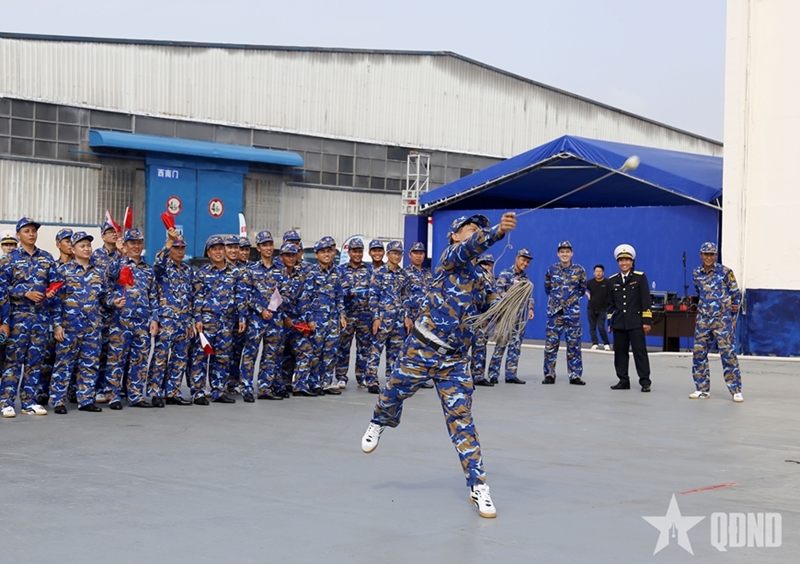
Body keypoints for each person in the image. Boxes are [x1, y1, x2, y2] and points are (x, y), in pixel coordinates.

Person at [361, 212, 517, 519]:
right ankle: (379, 421)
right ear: (455, 235)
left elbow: (492, 306)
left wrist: (507, 303)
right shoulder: (449, 258)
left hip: (454, 361)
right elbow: (471, 247)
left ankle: (479, 486)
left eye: (480, 229)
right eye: (470, 228)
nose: (476, 232)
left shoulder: (482, 277)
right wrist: (497, 231)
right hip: (422, 346)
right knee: (392, 392)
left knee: (463, 422)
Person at [0, 217, 60, 418]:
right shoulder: (9, 259)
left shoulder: (46, 258)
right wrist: (24, 293)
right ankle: (6, 402)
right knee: (13, 361)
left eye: (34, 230)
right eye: (27, 231)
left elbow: (55, 284)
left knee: (35, 361)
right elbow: (2, 290)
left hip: (40, 319)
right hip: (17, 318)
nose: (31, 234)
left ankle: (29, 401)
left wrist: (52, 292)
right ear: (18, 235)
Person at [50, 231, 114, 414]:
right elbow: (56, 302)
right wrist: (57, 325)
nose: (86, 249)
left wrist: (113, 301)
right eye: (82, 246)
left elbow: (104, 297)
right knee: (64, 364)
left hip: (92, 327)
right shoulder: (63, 271)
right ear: (73, 249)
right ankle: (58, 400)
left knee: (89, 364)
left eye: (88, 245)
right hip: (69, 327)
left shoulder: (99, 272)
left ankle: (85, 400)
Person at [104, 228, 158, 409]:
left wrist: (154, 318)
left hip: (142, 322)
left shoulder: (148, 269)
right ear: (125, 245)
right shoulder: (118, 263)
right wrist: (120, 255)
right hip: (120, 321)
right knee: (116, 359)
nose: (136, 246)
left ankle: (135, 395)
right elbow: (108, 279)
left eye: (138, 243)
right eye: (132, 243)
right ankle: (113, 395)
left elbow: (153, 296)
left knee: (139, 360)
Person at [190, 235, 246, 405]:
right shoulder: (202, 273)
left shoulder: (235, 272)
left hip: (227, 322)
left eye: (220, 248)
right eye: (214, 249)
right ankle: (198, 392)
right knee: (201, 357)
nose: (218, 252)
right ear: (209, 253)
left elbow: (240, 296)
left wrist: (242, 317)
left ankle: (218, 390)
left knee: (223, 357)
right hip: (207, 321)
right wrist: (198, 318)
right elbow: (197, 297)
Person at [689, 242, 743, 402]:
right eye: (706, 254)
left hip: (722, 320)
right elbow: (699, 292)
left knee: (728, 354)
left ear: (716, 256)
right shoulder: (696, 273)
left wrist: (733, 318)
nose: (708, 257)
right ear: (701, 255)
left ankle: (736, 390)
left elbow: (735, 295)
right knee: (699, 354)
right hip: (703, 320)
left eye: (711, 254)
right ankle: (702, 389)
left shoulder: (726, 272)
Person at [292, 238, 346, 396]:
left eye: (329, 251)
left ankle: (326, 382)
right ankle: (314, 382)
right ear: (316, 255)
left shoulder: (336, 273)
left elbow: (339, 296)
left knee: (330, 351)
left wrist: (342, 315)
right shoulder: (311, 273)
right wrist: (309, 319)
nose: (326, 254)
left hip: (333, 319)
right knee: (316, 352)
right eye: (323, 252)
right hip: (317, 319)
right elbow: (304, 298)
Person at [147, 229, 194, 407]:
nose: (180, 251)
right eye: (176, 248)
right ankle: (155, 392)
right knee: (160, 356)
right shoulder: (164, 267)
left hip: (183, 320)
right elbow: (157, 263)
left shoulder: (188, 270)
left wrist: (190, 321)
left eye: (182, 248)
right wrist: (168, 242)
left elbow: (191, 296)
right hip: (166, 319)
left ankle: (172, 392)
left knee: (180, 358)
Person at [239, 230, 287, 400]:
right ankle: (246, 388)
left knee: (271, 354)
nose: (268, 248)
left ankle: (265, 388)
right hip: (256, 320)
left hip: (275, 319)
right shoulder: (250, 270)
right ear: (258, 248)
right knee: (250, 354)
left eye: (270, 244)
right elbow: (246, 295)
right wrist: (261, 310)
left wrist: (274, 307)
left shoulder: (281, 270)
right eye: (264, 245)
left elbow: (286, 293)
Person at [366, 240, 411, 394]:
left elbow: (405, 297)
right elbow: (373, 296)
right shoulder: (379, 273)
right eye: (394, 253)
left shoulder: (403, 275)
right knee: (375, 350)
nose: (397, 256)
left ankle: (392, 380)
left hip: (398, 320)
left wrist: (407, 316)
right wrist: (375, 317)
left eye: (399, 254)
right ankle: (371, 380)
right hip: (383, 318)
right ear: (388, 254)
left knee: (396, 352)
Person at [607, 244, 653, 392]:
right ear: (617, 263)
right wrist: (610, 322)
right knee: (620, 353)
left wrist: (646, 321)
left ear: (632, 262)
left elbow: (646, 300)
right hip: (619, 323)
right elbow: (611, 305)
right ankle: (623, 380)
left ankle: (645, 381)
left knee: (640, 352)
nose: (624, 263)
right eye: (621, 260)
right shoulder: (612, 280)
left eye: (627, 260)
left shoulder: (639, 277)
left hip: (636, 322)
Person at [542, 241, 587, 385]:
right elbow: (547, 288)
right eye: (562, 252)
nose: (565, 254)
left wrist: (570, 301)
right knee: (551, 345)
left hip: (572, 313)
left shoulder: (579, 270)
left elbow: (582, 289)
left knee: (574, 345)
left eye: (567, 251)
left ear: (572, 253)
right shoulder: (551, 270)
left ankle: (575, 375)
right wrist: (557, 301)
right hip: (555, 313)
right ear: (558, 254)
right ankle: (549, 374)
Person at [487, 248, 534, 384]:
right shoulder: (506, 274)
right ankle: (493, 374)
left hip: (519, 317)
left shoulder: (526, 279)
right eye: (523, 260)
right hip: (506, 316)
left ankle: (511, 374)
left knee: (516, 345)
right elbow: (498, 292)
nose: (525, 264)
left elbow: (529, 296)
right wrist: (511, 295)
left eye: (527, 262)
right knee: (501, 344)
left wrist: (530, 308)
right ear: (517, 259)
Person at [335, 238, 373, 389]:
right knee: (343, 347)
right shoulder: (341, 270)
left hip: (365, 314)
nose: (357, 254)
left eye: (359, 251)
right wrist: (348, 292)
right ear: (349, 252)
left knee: (364, 348)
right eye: (354, 251)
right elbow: (337, 291)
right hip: (348, 314)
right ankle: (341, 376)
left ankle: (362, 376)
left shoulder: (369, 269)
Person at [92, 221, 122, 403]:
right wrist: (119, 254)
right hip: (102, 308)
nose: (113, 234)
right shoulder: (96, 256)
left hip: (119, 309)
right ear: (103, 236)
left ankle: (112, 387)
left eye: (115, 231)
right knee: (99, 351)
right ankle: (96, 388)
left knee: (115, 351)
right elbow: (110, 274)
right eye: (109, 232)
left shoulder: (123, 253)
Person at [405, 241, 434, 389]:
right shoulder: (405, 273)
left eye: (421, 253)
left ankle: (420, 378)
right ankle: (406, 377)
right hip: (411, 317)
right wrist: (407, 316)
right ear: (410, 255)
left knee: (423, 349)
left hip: (425, 317)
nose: (418, 256)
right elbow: (403, 296)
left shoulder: (428, 274)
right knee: (410, 348)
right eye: (415, 253)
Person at [471, 253, 496, 386]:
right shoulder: (480, 274)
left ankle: (477, 374)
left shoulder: (488, 277)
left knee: (480, 345)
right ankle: (476, 375)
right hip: (476, 315)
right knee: (478, 346)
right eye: (484, 264)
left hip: (482, 315)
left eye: (489, 264)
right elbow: (489, 293)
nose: (487, 267)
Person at [585, 264, 611, 351]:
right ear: (594, 273)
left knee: (601, 327)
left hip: (602, 308)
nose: (598, 273)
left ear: (603, 272)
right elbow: (580, 287)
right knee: (592, 327)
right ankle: (595, 343)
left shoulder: (607, 283)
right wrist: (587, 294)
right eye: (597, 271)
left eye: (600, 271)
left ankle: (606, 343)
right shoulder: (590, 282)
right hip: (591, 307)